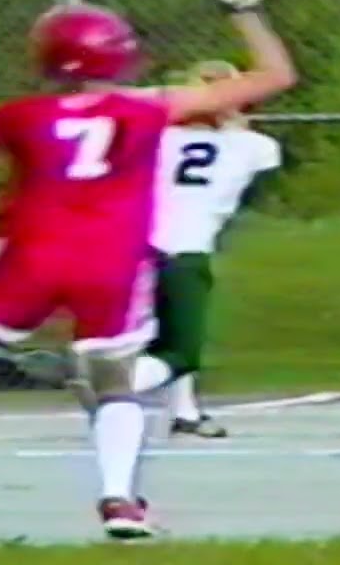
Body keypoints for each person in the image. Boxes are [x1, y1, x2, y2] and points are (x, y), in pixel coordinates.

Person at [0, 0, 297, 540]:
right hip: (111, 266)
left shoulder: (13, 117)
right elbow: (275, 75)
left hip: (27, 259)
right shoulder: (150, 108)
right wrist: (243, 10)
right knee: (114, 385)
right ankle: (120, 502)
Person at [131, 59, 283, 438]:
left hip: (135, 249)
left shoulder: (154, 139)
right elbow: (254, 170)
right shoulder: (254, 146)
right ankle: (115, 389)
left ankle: (185, 411)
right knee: (181, 351)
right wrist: (231, 119)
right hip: (185, 254)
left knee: (160, 334)